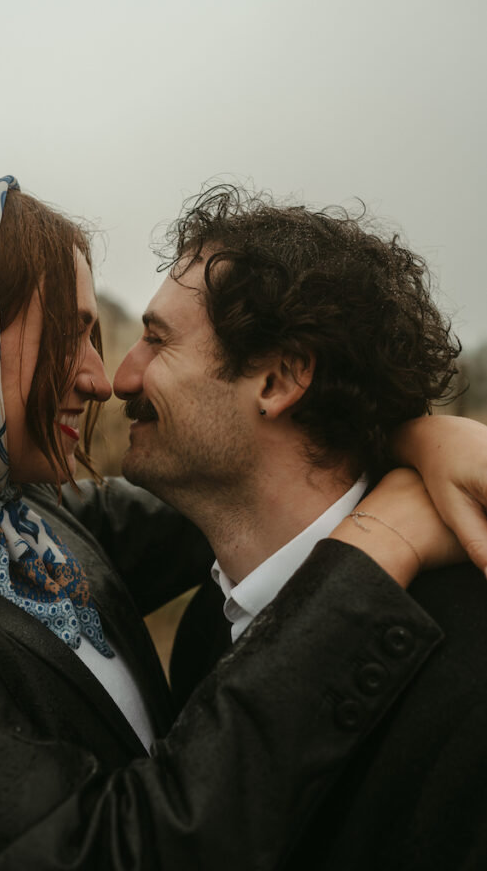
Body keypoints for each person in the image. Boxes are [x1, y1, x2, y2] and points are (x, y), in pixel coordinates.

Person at [0, 177, 482, 871]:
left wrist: (418, 438)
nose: (103, 378)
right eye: (67, 338)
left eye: (131, 340)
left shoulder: (22, 520)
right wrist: (378, 542)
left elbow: (259, 490)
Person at [111, 184, 487, 869]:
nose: (120, 376)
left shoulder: (470, 657)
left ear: (278, 380)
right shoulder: (206, 626)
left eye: (157, 342)